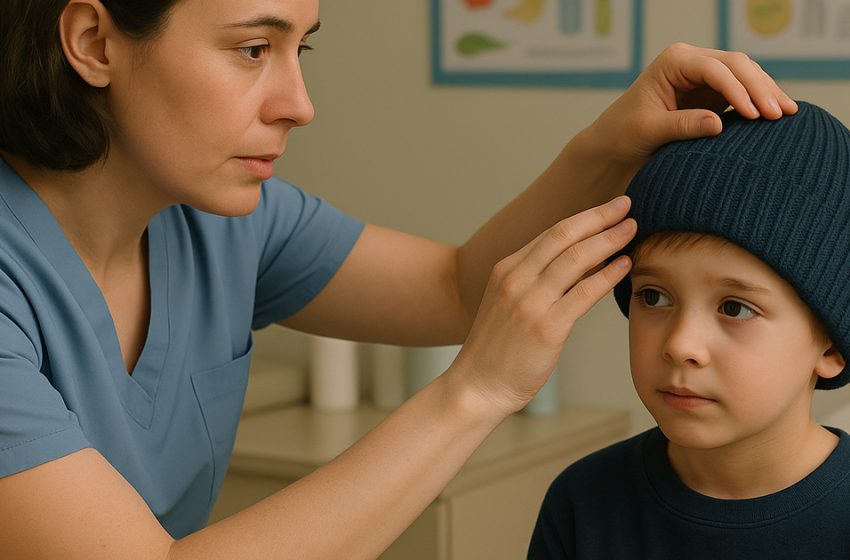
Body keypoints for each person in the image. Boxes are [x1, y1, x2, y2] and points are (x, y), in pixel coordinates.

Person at [0, 1, 796, 558]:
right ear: (94, 42)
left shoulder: (222, 222)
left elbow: (455, 290)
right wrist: (476, 390)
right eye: (252, 49)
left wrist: (608, 144)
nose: (299, 104)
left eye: (301, 50)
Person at [527, 101, 850, 559]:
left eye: (734, 308)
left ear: (832, 346)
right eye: (653, 297)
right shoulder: (582, 502)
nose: (681, 345)